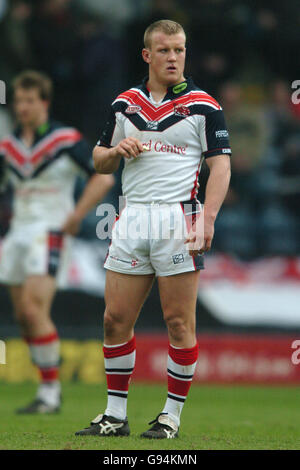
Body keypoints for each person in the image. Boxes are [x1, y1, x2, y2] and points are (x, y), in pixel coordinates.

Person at [76, 19, 231, 439]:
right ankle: (114, 415)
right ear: (147, 55)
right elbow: (98, 159)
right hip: (132, 216)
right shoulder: (124, 104)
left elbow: (221, 165)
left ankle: (171, 417)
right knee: (114, 320)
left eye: (179, 50)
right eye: (164, 50)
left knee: (179, 324)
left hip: (178, 218)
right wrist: (116, 150)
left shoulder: (204, 105)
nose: (173, 58)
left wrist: (209, 218)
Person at [0, 70, 115, 413]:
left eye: (30, 100)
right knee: (23, 315)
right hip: (17, 233)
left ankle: (51, 392)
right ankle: (46, 387)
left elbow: (103, 177)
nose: (23, 107)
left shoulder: (65, 140)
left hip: (49, 231)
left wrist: (76, 215)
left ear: (45, 103)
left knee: (35, 309)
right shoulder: (8, 146)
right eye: (18, 100)